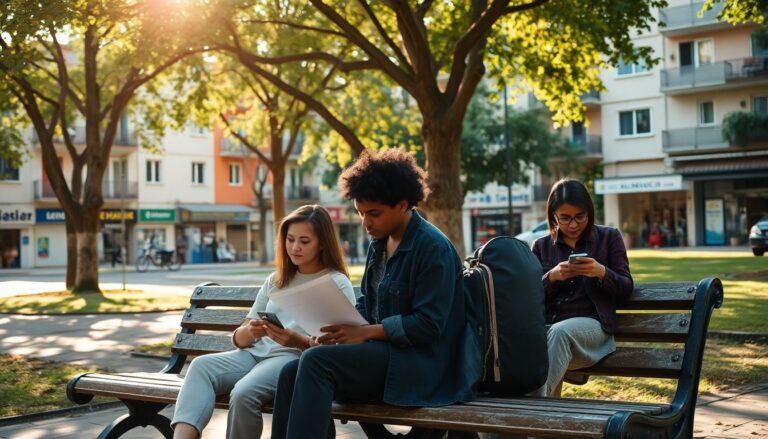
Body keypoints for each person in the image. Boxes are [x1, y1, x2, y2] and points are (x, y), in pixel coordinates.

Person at [270, 149, 480, 438]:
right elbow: (368, 305)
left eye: (374, 213)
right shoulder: (378, 244)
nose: (366, 223)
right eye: (360, 213)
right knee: (290, 374)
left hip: (425, 366)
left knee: (316, 363)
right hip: (386, 358)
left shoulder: (433, 248)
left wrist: (367, 333)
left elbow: (429, 325)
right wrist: (340, 331)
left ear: (403, 204)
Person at [171, 205, 356, 439]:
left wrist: (298, 340)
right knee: (200, 367)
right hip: (252, 354)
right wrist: (250, 331)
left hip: (290, 358)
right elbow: (239, 339)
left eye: (304, 241)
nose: (295, 247)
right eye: (290, 239)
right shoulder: (276, 279)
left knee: (244, 393)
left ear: (322, 243)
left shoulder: (336, 283)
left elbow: (340, 350)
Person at [532, 178, 633, 397]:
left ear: (589, 212)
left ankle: (531, 410)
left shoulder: (608, 237)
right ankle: (536, 422)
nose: (573, 225)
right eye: (565, 218)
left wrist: (602, 272)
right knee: (546, 339)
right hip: (550, 332)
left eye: (580, 217)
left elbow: (626, 287)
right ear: (553, 216)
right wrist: (551, 277)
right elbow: (529, 297)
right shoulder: (541, 246)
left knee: (560, 333)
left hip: (593, 331)